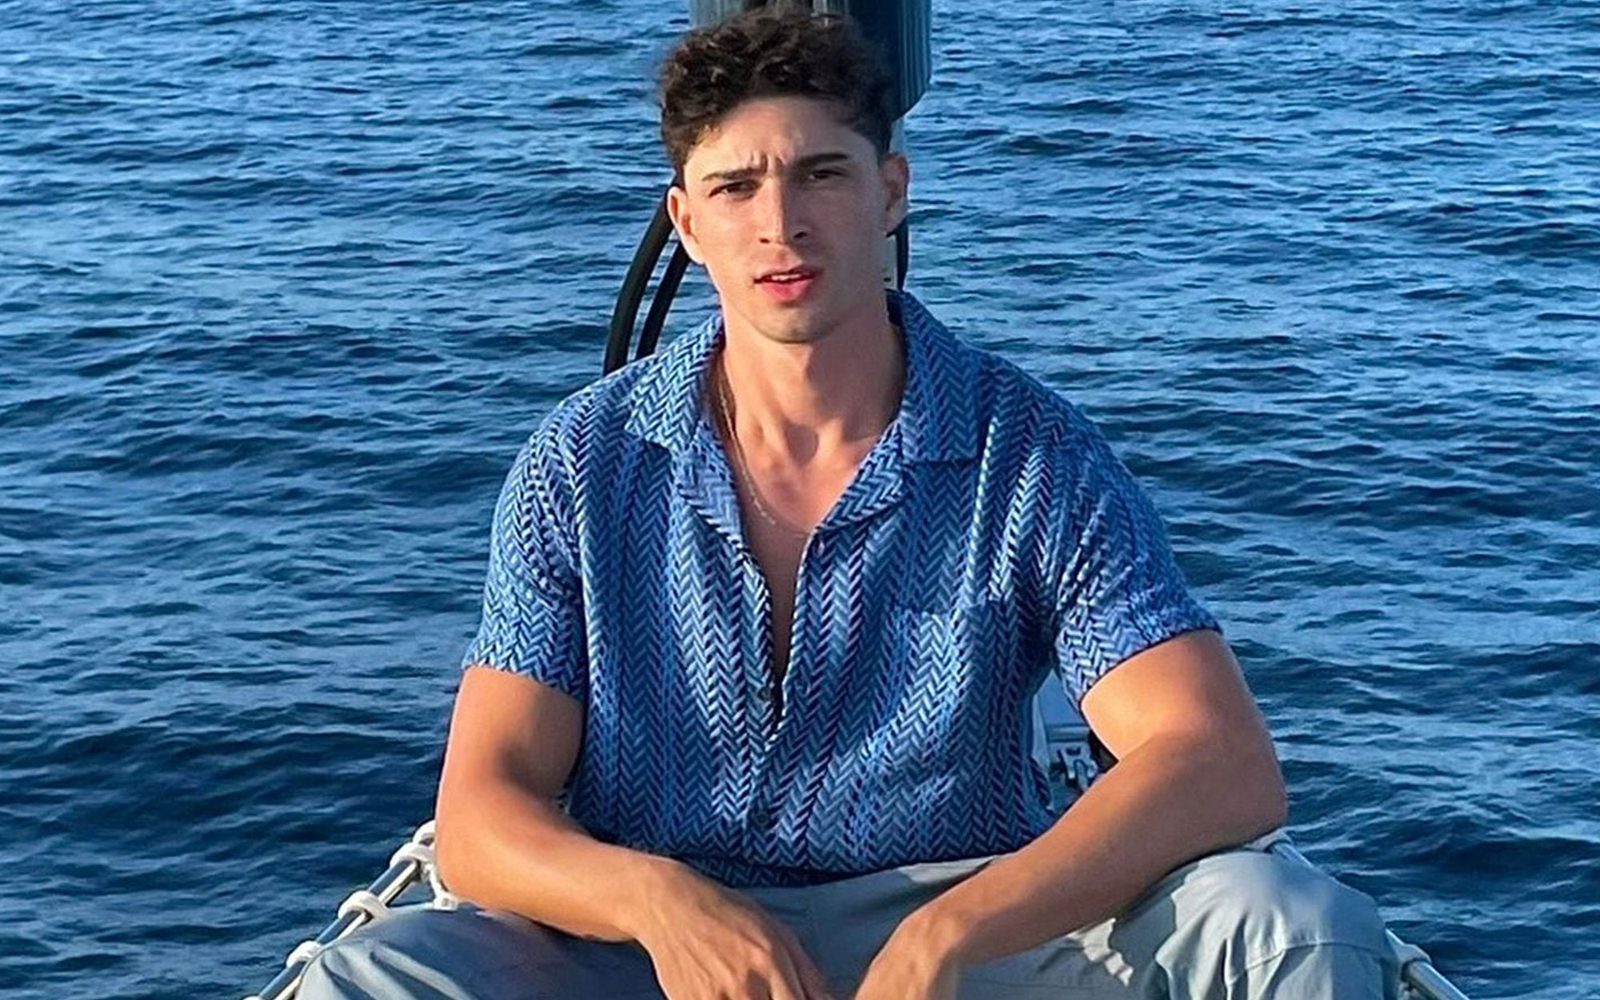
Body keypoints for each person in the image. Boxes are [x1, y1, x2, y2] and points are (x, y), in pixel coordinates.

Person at [299, 5, 1399, 998]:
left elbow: (1217, 761)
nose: (781, 223)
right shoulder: (584, 460)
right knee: (376, 976)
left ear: (890, 191)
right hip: (652, 950)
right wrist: (663, 905)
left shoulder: (1027, 451)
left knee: (1291, 928)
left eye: (821, 174)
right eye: (735, 187)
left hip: (970, 931)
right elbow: (483, 817)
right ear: (685, 222)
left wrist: (948, 933)